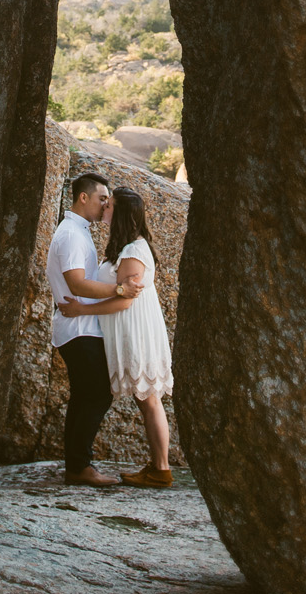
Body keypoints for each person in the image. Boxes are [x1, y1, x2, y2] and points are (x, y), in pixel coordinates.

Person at [58, 186, 174, 487]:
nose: (104, 208)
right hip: (126, 329)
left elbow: (125, 300)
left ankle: (161, 469)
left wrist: (81, 310)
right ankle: (157, 467)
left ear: (119, 213)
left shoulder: (134, 250)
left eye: (109, 205)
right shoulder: (126, 248)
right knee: (146, 399)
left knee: (149, 400)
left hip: (136, 332)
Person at [46, 172, 147, 487]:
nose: (106, 205)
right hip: (78, 328)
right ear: (83, 197)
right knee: (99, 394)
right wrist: (120, 291)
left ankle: (76, 465)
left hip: (78, 325)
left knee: (84, 396)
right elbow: (77, 283)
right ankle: (80, 466)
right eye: (102, 199)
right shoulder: (73, 235)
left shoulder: (77, 231)